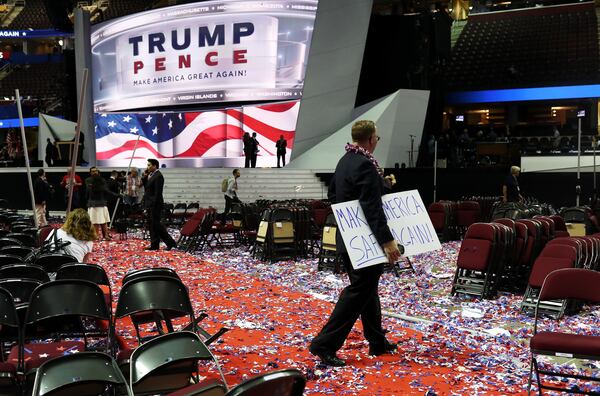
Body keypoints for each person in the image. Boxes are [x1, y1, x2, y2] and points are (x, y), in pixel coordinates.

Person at [309, 120, 401, 367]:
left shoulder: (344, 161)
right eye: (377, 138)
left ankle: (377, 341)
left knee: (367, 290)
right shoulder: (365, 164)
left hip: (349, 238)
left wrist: (383, 185)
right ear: (371, 139)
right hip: (366, 241)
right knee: (359, 291)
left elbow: (334, 196)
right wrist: (388, 241)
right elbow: (371, 206)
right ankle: (324, 344)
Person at [143, 158, 177, 251]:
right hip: (150, 204)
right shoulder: (150, 175)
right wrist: (144, 177)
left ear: (155, 166)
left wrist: (153, 204)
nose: (147, 167)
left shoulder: (158, 176)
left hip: (155, 205)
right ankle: (154, 245)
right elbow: (147, 188)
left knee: (157, 225)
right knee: (152, 225)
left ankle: (171, 243)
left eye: (149, 165)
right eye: (147, 165)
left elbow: (158, 193)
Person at [87, 167, 117, 240]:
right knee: (95, 221)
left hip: (102, 202)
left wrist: (116, 194)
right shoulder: (88, 180)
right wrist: (99, 187)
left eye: (96, 171)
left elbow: (105, 189)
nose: (95, 172)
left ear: (98, 172)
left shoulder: (102, 180)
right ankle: (96, 235)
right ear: (90, 173)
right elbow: (91, 190)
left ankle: (106, 235)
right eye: (93, 171)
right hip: (93, 203)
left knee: (104, 220)